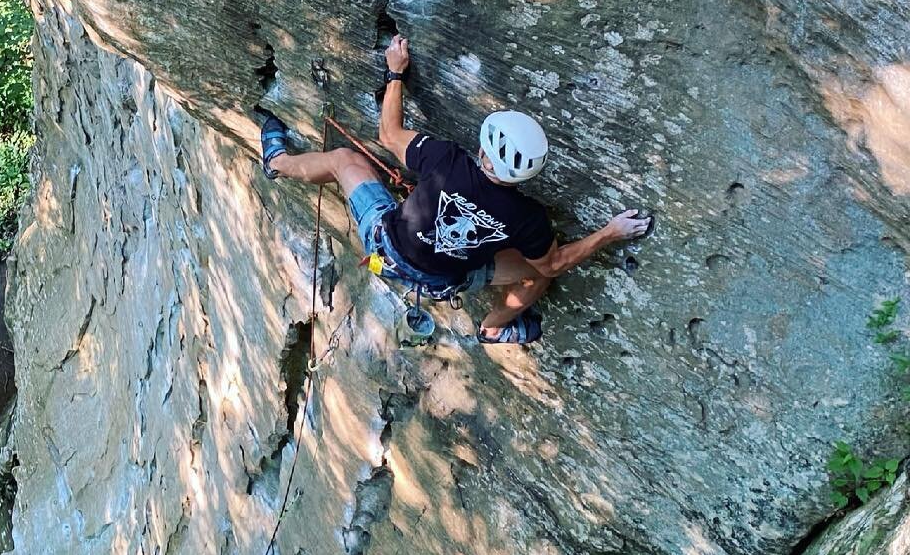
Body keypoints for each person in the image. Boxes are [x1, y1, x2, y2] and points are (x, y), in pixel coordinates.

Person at [259, 35, 652, 344]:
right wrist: (610, 232)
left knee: (343, 159)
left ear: (482, 149)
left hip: (386, 247)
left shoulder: (447, 161)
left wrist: (395, 72)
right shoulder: (527, 218)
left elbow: (389, 135)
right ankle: (494, 329)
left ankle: (276, 163)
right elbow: (552, 264)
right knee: (538, 274)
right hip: (442, 282)